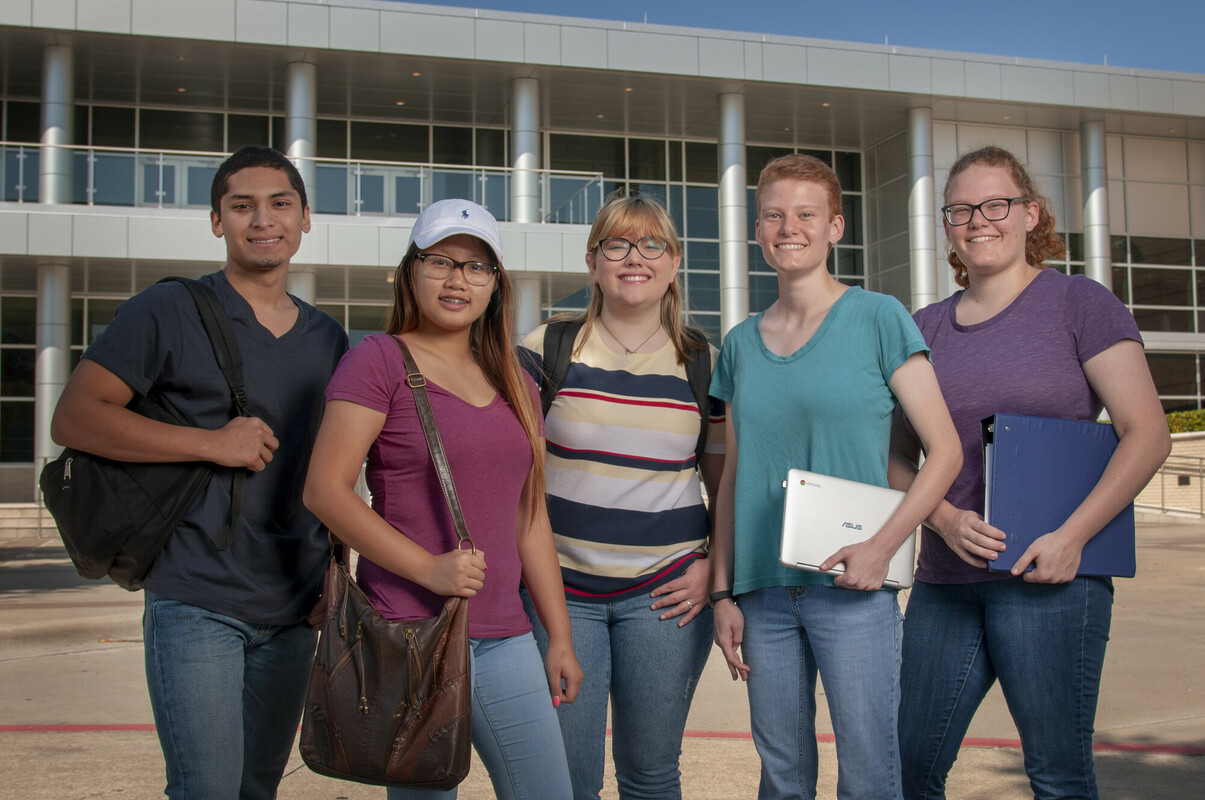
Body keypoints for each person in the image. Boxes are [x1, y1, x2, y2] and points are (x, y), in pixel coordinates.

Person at [49, 145, 349, 799]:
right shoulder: (165, 311)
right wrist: (210, 443)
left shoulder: (331, 340)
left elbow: (332, 470)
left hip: (295, 605)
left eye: (279, 204)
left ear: (304, 220)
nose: (261, 219)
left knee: (255, 789)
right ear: (218, 222)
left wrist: (337, 571)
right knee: (205, 788)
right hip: (196, 595)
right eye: (242, 206)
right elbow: (73, 418)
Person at [893, 145, 1171, 800]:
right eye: (959, 209)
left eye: (994, 204)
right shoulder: (921, 327)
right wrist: (942, 516)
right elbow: (893, 454)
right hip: (945, 582)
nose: (976, 220)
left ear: (1029, 214)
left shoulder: (1078, 304)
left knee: (1056, 775)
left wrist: (1072, 537)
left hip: (1051, 581)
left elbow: (1146, 433)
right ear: (945, 226)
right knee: (903, 770)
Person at [302, 199, 581, 800]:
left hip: (506, 635)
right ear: (411, 271)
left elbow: (529, 518)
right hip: (409, 635)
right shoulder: (377, 360)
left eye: (477, 267)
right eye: (440, 261)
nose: (458, 279)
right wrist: (427, 567)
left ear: (495, 286)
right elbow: (324, 490)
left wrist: (557, 635)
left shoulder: (517, 380)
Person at [708, 153, 962, 800]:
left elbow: (945, 452)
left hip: (853, 588)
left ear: (835, 227)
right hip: (763, 593)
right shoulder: (738, 344)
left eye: (804, 214)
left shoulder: (879, 318)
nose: (786, 227)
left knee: (869, 777)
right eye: (772, 214)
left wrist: (882, 548)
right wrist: (722, 592)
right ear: (756, 227)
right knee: (782, 779)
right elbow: (734, 474)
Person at [518, 193, 725, 800]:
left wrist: (714, 568)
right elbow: (513, 473)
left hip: (667, 596)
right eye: (617, 244)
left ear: (674, 261)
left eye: (651, 244)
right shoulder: (546, 348)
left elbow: (723, 482)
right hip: (561, 597)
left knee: (651, 776)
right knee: (567, 780)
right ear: (593, 262)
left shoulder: (702, 361)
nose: (634, 258)